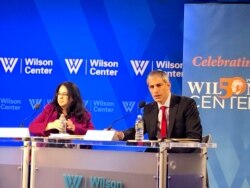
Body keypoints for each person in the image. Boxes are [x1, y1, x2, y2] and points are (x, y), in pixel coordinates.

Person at [116, 70, 202, 141]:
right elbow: (138, 131)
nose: (155, 90)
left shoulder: (186, 104)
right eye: (152, 87)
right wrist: (121, 135)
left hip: (180, 155)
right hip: (155, 155)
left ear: (168, 85)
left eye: (159, 85)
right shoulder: (149, 108)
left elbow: (194, 136)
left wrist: (169, 143)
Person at [29, 81, 94, 136]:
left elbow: (92, 133)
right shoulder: (50, 109)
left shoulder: (83, 114)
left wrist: (74, 128)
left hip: (73, 150)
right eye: (59, 94)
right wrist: (50, 125)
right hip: (49, 148)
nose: (60, 97)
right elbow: (32, 127)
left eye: (64, 94)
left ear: (73, 98)